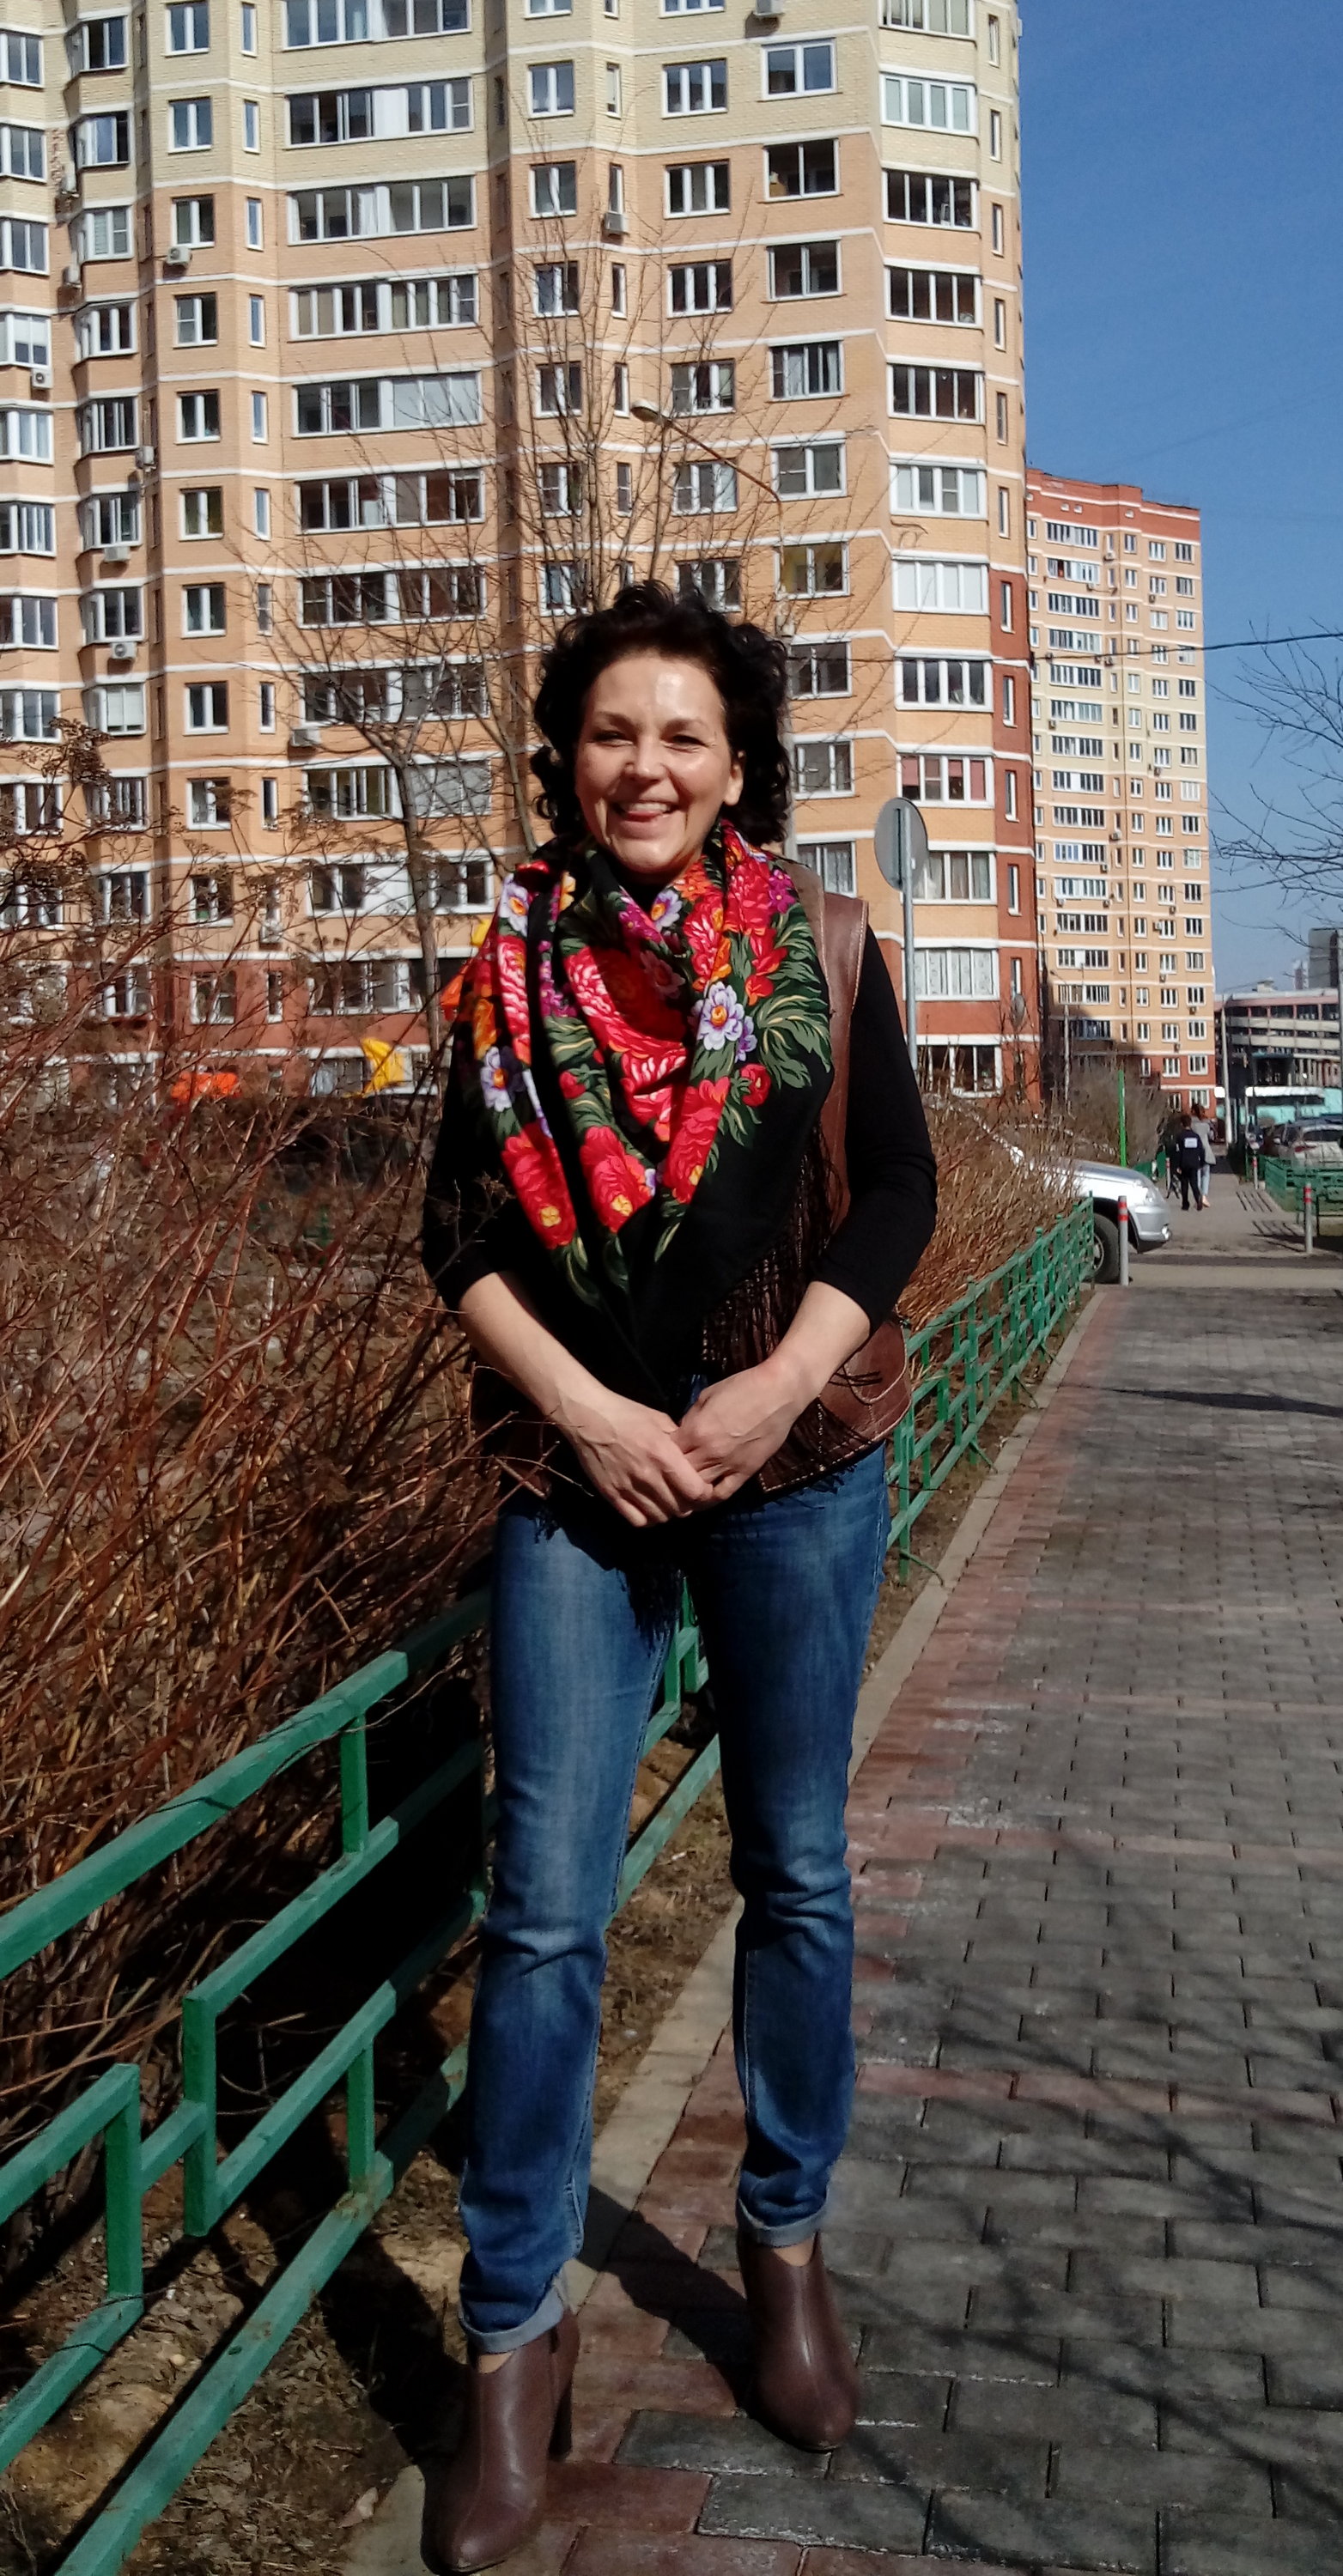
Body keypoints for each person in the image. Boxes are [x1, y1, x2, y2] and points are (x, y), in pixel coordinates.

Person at [421, 583, 937, 2573]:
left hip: (792, 1467)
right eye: (611, 730)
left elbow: (894, 1189)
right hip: (577, 1480)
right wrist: (594, 1413)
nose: (644, 764)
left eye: (684, 736)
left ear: (736, 769)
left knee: (792, 1866)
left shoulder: (818, 946)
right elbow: (458, 1231)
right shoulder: (510, 968)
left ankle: (782, 2245)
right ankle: (509, 2336)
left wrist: (775, 1381)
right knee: (546, 1911)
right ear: (569, 755)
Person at [1174, 1111, 1206, 1212]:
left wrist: (1177, 1165)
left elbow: (1178, 1152)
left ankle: (1185, 1204)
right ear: (1190, 1123)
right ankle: (1198, 1199)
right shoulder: (1196, 1136)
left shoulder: (1180, 1137)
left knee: (1184, 1184)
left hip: (1184, 1164)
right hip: (1194, 1163)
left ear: (1182, 1124)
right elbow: (1201, 1150)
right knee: (1194, 1183)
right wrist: (1202, 1162)